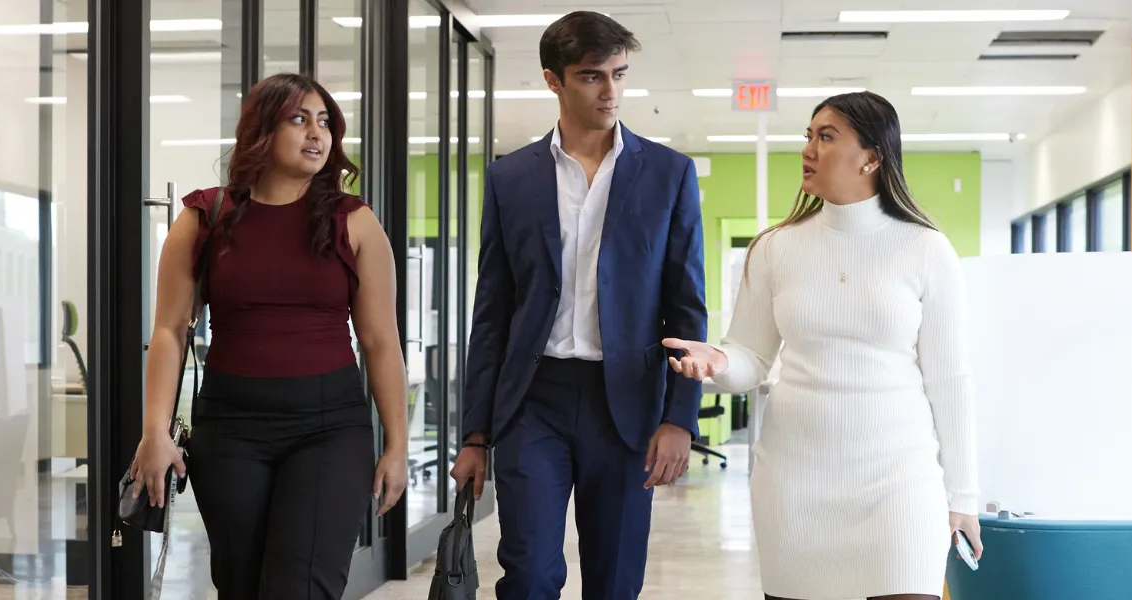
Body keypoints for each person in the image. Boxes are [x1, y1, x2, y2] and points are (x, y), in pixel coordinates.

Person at [663, 92, 983, 600]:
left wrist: (963, 496)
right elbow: (751, 357)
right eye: (808, 136)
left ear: (871, 157)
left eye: (827, 137)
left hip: (899, 482)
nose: (808, 149)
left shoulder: (926, 249)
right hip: (796, 485)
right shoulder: (775, 248)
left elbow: (951, 381)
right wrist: (718, 360)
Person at [447, 11, 707, 600]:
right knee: (530, 574)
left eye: (619, 74)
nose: (610, 91)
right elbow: (492, 313)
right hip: (533, 401)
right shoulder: (510, 178)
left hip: (628, 405)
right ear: (553, 80)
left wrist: (679, 418)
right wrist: (476, 434)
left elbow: (687, 309)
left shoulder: (669, 174)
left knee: (615, 581)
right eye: (592, 76)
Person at [127, 73, 409, 600]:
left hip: (330, 429)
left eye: (324, 122)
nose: (317, 134)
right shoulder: (204, 216)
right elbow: (168, 330)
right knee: (241, 584)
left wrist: (397, 446)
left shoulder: (355, 222)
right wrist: (154, 432)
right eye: (299, 119)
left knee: (302, 587)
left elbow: (380, 341)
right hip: (230, 429)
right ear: (261, 130)